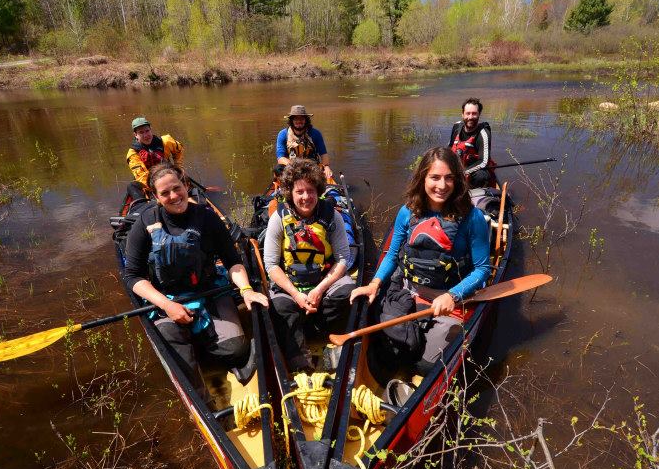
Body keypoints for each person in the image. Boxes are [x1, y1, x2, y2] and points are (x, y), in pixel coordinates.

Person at [350, 147, 491, 392]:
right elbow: (393, 255)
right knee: (391, 349)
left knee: (427, 365)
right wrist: (374, 283)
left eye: (449, 178)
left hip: (449, 301)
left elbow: (482, 269)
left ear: (458, 180)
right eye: (435, 178)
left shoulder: (472, 218)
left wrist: (453, 295)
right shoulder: (407, 212)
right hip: (408, 292)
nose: (442, 185)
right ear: (423, 178)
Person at [121, 162, 267, 395]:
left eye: (177, 188)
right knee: (176, 351)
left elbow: (232, 261)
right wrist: (168, 305)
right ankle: (202, 398)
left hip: (209, 290)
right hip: (167, 299)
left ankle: (201, 340)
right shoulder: (145, 222)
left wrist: (246, 289)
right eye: (165, 193)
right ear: (156, 197)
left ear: (186, 186)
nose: (173, 196)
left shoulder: (207, 218)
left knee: (235, 351)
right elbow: (132, 276)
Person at [263, 159, 355, 371]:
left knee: (347, 292)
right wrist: (296, 294)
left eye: (311, 191)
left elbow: (343, 258)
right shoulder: (278, 219)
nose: (306, 197)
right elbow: (270, 264)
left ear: (319, 191)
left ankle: (322, 333)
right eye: (300, 192)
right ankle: (300, 360)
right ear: (290, 193)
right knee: (279, 306)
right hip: (292, 283)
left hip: (324, 280)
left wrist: (320, 290)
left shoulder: (333, 216)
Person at [125, 116, 185, 198]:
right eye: (141, 132)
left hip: (168, 173)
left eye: (147, 131)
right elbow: (142, 177)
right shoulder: (133, 154)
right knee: (131, 186)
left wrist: (178, 167)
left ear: (151, 130)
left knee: (184, 179)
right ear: (135, 135)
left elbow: (179, 150)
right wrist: (157, 189)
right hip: (150, 182)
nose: (146, 135)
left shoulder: (166, 141)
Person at [276, 105, 333, 180]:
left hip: (311, 166)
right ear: (291, 120)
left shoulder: (315, 133)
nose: (299, 121)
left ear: (306, 120)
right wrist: (296, 166)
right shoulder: (283, 134)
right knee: (278, 169)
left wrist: (326, 167)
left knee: (322, 174)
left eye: (302, 118)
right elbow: (280, 158)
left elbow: (323, 153)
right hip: (292, 166)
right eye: (296, 118)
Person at [448, 98, 496, 187]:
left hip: (474, 170)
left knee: (481, 176)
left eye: (474, 114)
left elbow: (484, 161)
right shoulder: (456, 127)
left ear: (479, 114)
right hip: (458, 167)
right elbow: (449, 148)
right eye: (467, 113)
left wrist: (463, 172)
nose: (470, 117)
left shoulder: (483, 133)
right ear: (462, 114)